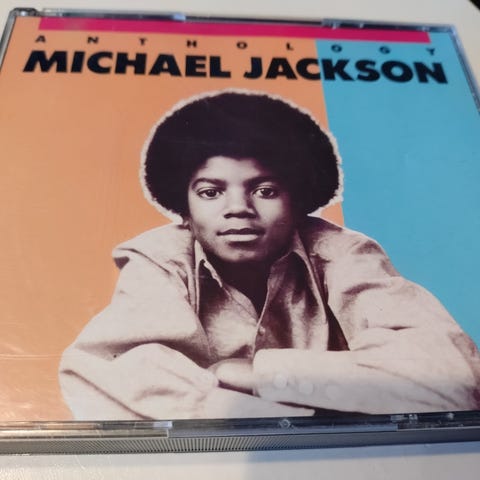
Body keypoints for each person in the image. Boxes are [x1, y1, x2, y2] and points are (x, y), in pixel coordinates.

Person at [59, 90, 480, 420]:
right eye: (210, 192)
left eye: (265, 190)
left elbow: (453, 377)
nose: (238, 208)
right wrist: (288, 414)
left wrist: (253, 374)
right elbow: (105, 371)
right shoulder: (159, 257)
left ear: (298, 201)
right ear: (184, 207)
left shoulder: (344, 253)